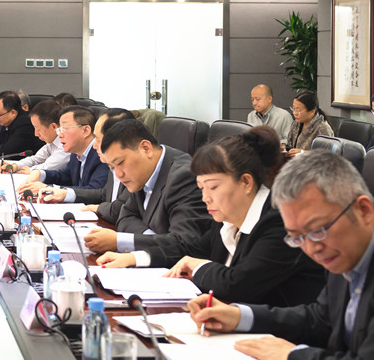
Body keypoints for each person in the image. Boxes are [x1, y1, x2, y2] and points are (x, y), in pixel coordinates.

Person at [188, 150, 374, 360]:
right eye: (298, 237)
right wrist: (239, 317)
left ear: (364, 210)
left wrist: (292, 357)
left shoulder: (342, 251)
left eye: (318, 230)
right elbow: (322, 319)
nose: (312, 248)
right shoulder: (343, 251)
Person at [98, 126, 324, 306]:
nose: (205, 198)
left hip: (282, 340)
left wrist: (197, 266)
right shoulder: (226, 219)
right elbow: (190, 249)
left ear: (246, 182)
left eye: (213, 187)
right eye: (201, 188)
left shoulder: (279, 221)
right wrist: (135, 258)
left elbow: (237, 284)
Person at [83, 119, 212, 254]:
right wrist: (153, 240)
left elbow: (185, 243)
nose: (119, 174)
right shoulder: (142, 173)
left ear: (146, 148)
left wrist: (120, 242)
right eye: (112, 167)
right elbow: (125, 217)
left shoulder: (183, 177)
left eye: (120, 163)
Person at [39, 108, 134, 224]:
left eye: (98, 139)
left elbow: (117, 209)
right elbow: (103, 193)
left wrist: (98, 208)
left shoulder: (109, 161)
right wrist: (63, 193)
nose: (94, 145)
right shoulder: (77, 154)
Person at [16, 106, 109, 197]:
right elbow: (65, 175)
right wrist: (40, 174)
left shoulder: (101, 154)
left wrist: (50, 189)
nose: (60, 135)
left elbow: (95, 191)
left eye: (65, 129)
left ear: (85, 130)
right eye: (59, 130)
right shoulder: (76, 153)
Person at [0, 100, 68, 174]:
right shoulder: (52, 142)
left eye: (38, 129)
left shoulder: (67, 144)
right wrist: (15, 166)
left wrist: (31, 170)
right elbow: (35, 160)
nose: (36, 134)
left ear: (53, 127)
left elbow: (49, 167)